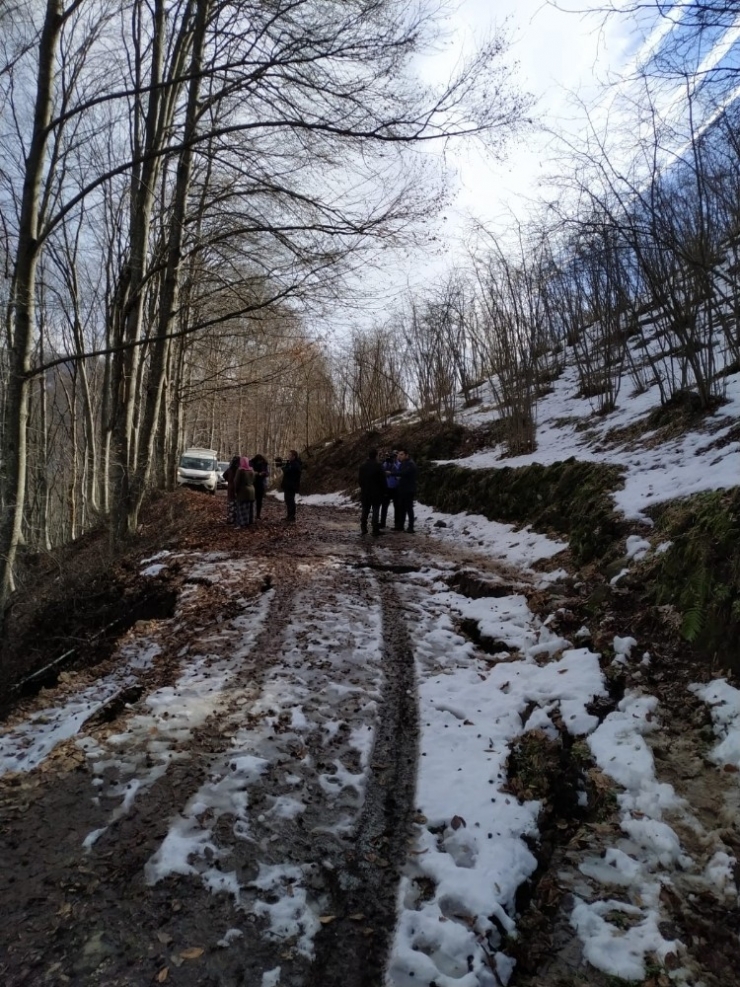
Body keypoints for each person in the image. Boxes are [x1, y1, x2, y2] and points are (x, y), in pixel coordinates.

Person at [358, 449, 387, 536]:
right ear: (376, 455)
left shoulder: (363, 466)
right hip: (376, 492)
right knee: (375, 510)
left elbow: (360, 480)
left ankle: (363, 527)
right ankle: (375, 529)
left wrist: (363, 488)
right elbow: (383, 480)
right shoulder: (379, 466)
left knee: (365, 510)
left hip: (365, 492)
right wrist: (384, 491)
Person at [394, 447, 417, 533]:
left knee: (409, 508)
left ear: (406, 455)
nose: (399, 456)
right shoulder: (403, 463)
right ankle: (401, 525)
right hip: (403, 489)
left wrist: (392, 474)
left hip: (408, 489)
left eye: (401, 454)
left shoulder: (410, 464)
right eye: (399, 454)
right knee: (401, 507)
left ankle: (411, 527)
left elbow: (404, 473)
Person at [278, 450, 302, 523]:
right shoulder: (292, 463)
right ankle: (289, 515)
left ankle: (291, 516)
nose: (288, 457)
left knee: (290, 500)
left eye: (290, 455)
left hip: (291, 485)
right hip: (288, 484)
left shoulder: (295, 464)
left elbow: (288, 471)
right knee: (288, 500)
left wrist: (282, 466)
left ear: (293, 456)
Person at [234, 456, 256, 527]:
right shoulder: (252, 470)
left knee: (241, 508)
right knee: (249, 508)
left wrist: (236, 491)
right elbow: (254, 480)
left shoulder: (240, 471)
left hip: (243, 491)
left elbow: (236, 482)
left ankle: (242, 522)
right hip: (252, 491)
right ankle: (249, 521)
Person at [380, 450, 400, 529]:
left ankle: (397, 524)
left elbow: (398, 473)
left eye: (395, 457)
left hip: (396, 488)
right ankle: (382, 523)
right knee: (384, 506)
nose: (394, 458)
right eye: (392, 457)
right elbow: (382, 472)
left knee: (397, 506)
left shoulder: (399, 464)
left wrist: (393, 467)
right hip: (387, 487)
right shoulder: (386, 463)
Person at [250, 454, 269, 519]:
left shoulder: (264, 463)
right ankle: (252, 514)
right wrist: (257, 473)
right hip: (254, 482)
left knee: (259, 500)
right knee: (252, 500)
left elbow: (267, 473)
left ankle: (257, 514)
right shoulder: (252, 463)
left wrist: (263, 473)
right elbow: (250, 471)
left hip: (260, 483)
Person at [222, 455, 240, 524]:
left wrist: (228, 480)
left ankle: (230, 519)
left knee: (231, 504)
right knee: (237, 505)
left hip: (231, 488)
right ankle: (236, 519)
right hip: (237, 488)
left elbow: (224, 475)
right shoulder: (239, 470)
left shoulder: (230, 469)